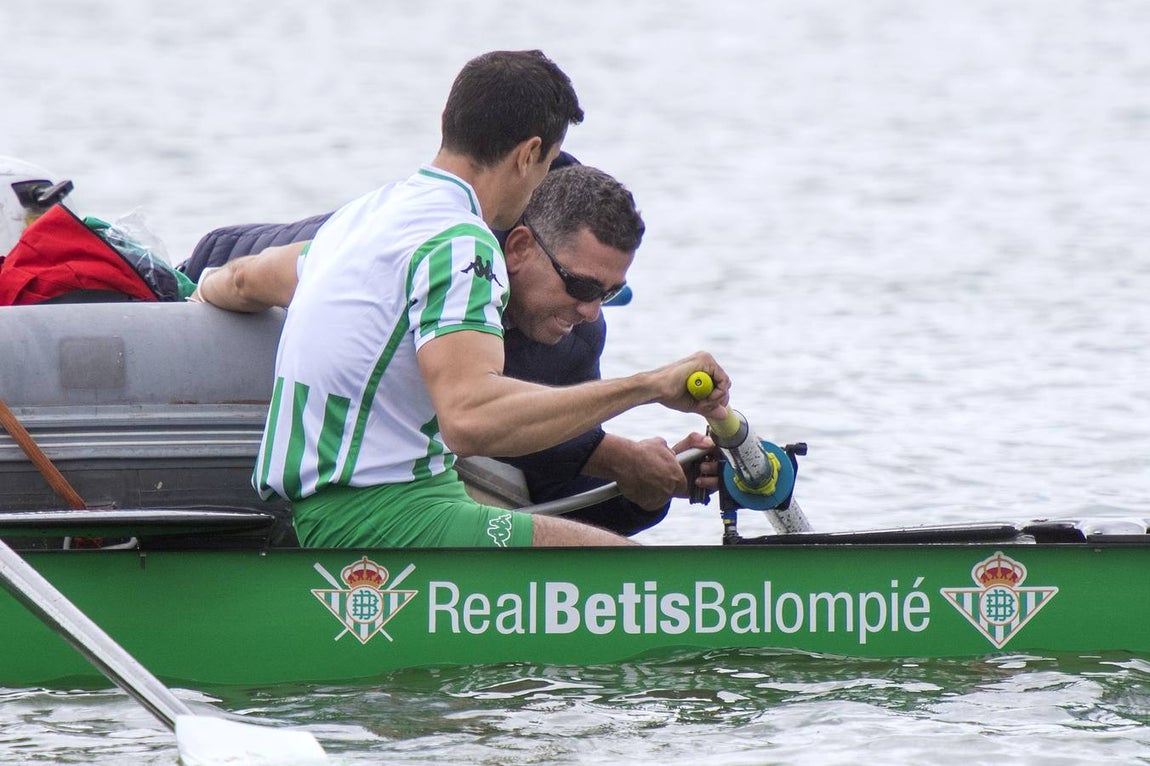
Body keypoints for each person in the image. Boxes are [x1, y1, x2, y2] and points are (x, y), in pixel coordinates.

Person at [209, 49, 731, 549]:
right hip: (386, 515)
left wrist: (194, 295)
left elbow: (240, 281)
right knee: (628, 577)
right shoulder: (463, 240)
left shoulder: (364, 216)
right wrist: (648, 386)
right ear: (529, 155)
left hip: (327, 507)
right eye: (548, 161)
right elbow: (469, 418)